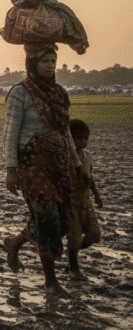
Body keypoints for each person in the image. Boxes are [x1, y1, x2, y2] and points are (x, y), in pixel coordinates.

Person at [2, 44, 83, 296]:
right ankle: (51, 282)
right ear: (32, 63)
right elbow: (11, 132)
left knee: (62, 219)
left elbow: (65, 130)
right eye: (45, 61)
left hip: (58, 164)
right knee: (47, 217)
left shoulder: (59, 93)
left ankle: (16, 241)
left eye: (53, 61)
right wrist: (11, 168)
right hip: (31, 164)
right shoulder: (20, 93)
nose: (50, 65)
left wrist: (78, 165)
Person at [66, 119, 102, 281]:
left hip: (86, 202)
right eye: (79, 138)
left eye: (85, 138)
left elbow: (90, 177)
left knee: (94, 234)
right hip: (71, 203)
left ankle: (71, 254)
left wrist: (96, 195)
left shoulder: (87, 156)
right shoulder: (68, 158)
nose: (83, 141)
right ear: (70, 138)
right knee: (73, 237)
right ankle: (74, 269)